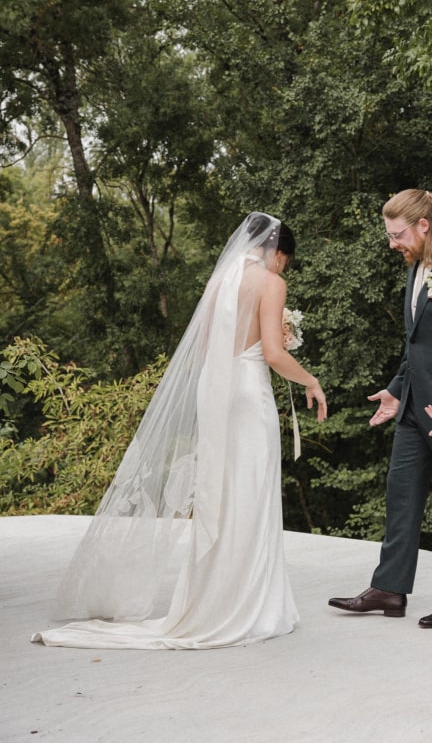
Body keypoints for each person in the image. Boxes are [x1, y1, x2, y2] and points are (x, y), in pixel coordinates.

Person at [32, 212, 327, 649]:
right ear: (277, 252)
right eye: (284, 260)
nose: (282, 268)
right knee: (251, 490)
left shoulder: (219, 283)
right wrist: (312, 381)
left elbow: (209, 348)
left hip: (215, 390)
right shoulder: (270, 283)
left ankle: (213, 598)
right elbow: (272, 353)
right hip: (247, 394)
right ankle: (254, 605)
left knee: (221, 495)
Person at [328, 189, 432, 628]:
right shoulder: (418, 270)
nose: (392, 243)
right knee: (400, 495)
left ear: (424, 226)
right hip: (414, 411)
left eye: (397, 234)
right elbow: (417, 345)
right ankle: (389, 589)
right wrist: (396, 389)